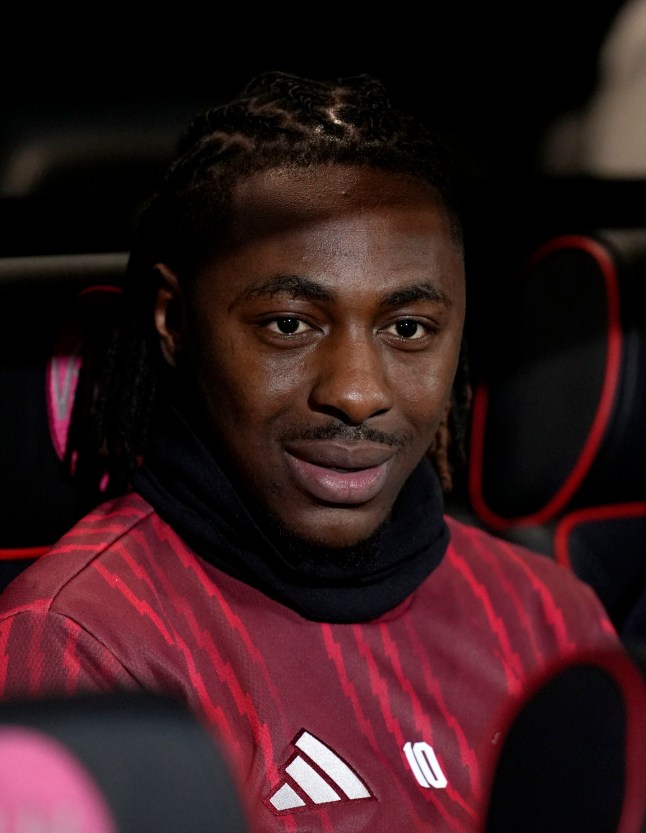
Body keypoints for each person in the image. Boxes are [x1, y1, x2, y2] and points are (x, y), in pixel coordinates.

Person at [0, 71, 623, 832]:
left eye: (409, 329)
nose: (357, 392)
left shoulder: (545, 614)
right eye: (289, 325)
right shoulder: (79, 643)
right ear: (174, 321)